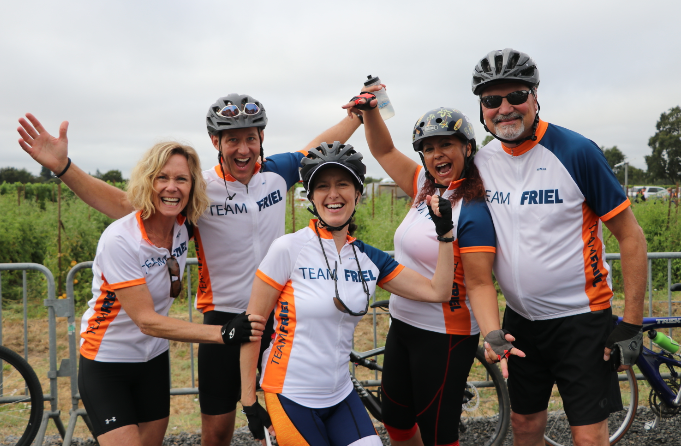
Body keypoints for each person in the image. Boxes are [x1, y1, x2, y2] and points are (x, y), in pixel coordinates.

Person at [16, 95, 362, 446]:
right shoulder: (198, 189)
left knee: (283, 420)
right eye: (232, 140)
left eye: (250, 139)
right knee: (217, 431)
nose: (243, 149)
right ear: (216, 142)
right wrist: (63, 168)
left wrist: (357, 118)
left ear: (260, 140)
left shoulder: (277, 172)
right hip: (222, 318)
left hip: (277, 315)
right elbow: (127, 206)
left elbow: (318, 149)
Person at [471, 48, 647, 446]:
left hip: (580, 320)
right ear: (482, 108)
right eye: (492, 100)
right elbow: (420, 172)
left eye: (516, 96)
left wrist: (632, 324)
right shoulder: (481, 163)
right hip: (520, 323)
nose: (505, 108)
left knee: (588, 437)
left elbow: (631, 237)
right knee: (525, 427)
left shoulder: (576, 151)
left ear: (535, 97)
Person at [239, 142, 457, 446]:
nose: (333, 194)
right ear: (310, 196)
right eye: (322, 186)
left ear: (358, 193)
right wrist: (249, 403)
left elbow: (438, 291)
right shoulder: (288, 249)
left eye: (343, 184)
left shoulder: (368, 259)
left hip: (340, 394)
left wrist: (445, 233)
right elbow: (253, 325)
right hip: (290, 393)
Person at [343, 94, 521, 445]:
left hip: (445, 336)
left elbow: (480, 282)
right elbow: (383, 151)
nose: (436, 154)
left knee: (438, 434)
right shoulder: (424, 188)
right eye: (428, 147)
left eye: (446, 144)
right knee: (395, 420)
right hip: (403, 324)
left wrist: (492, 334)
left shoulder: (472, 210)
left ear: (468, 148)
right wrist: (371, 112)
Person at [64, 141, 264, 446]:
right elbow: (147, 320)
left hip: (153, 361)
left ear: (192, 186)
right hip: (107, 362)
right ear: (147, 182)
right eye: (162, 178)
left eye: (181, 179)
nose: (172, 187)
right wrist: (223, 333)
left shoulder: (183, 226)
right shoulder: (120, 239)